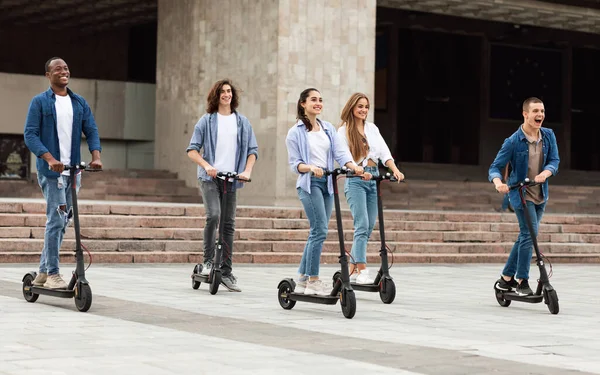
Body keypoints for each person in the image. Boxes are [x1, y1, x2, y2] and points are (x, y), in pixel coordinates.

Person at [24, 57, 102, 289]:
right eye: (57, 69)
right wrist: (50, 159)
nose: (63, 71)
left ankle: (42, 271)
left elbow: (92, 129)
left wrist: (96, 156)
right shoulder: (40, 102)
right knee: (56, 220)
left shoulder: (78, 102)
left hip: (74, 172)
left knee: (63, 222)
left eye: (66, 68)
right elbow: (30, 135)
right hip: (52, 173)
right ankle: (53, 275)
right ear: (48, 75)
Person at [286, 88, 363, 296]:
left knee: (318, 231)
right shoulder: (295, 132)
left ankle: (302, 278)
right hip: (309, 184)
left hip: (327, 184)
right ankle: (313, 280)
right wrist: (310, 167)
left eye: (320, 100)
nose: (318, 103)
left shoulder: (328, 128)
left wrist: (353, 166)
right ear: (303, 103)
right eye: (313, 100)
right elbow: (295, 164)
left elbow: (340, 151)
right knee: (319, 230)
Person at [186, 79, 258, 292]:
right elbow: (192, 150)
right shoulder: (206, 121)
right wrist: (207, 165)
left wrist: (246, 171)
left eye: (229, 91)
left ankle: (226, 270)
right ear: (216, 96)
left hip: (232, 179)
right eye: (222, 92)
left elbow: (253, 150)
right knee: (214, 215)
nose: (227, 94)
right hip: (210, 178)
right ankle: (208, 262)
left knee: (228, 224)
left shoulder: (242, 122)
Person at [489, 97, 559, 296]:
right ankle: (522, 280)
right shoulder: (512, 142)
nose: (540, 115)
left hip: (540, 194)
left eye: (543, 111)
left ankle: (505, 279)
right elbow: (495, 167)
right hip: (520, 194)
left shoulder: (548, 136)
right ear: (525, 114)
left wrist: (546, 173)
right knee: (529, 234)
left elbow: (554, 160)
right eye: (536, 111)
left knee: (525, 236)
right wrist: (498, 183)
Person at [337, 93, 404, 284]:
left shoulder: (372, 128)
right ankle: (362, 268)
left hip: (373, 179)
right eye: (359, 106)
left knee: (369, 227)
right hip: (356, 180)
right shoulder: (344, 131)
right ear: (352, 107)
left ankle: (351, 269)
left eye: (366, 106)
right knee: (362, 225)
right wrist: (357, 169)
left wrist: (395, 170)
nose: (363, 110)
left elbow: (384, 152)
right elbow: (343, 156)